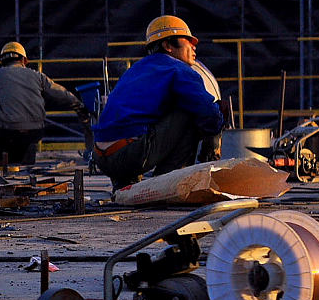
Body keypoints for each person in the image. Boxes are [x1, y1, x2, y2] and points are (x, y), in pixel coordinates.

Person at [92, 16, 223, 191]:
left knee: (155, 115)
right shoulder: (179, 69)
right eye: (188, 42)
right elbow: (210, 115)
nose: (194, 47)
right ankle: (169, 183)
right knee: (194, 112)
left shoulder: (136, 70)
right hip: (129, 155)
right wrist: (212, 147)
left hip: (101, 157)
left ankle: (125, 185)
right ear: (168, 45)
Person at [0, 42, 91, 164]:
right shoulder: (37, 76)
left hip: (7, 131)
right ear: (24, 60)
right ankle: (25, 152)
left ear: (2, 61)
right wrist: (79, 105)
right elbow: (60, 93)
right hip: (35, 131)